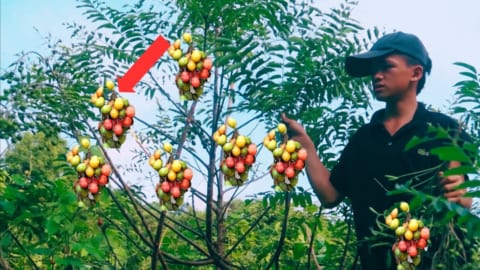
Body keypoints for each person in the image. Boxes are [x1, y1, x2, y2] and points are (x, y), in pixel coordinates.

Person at [281, 31, 473, 269]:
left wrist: (459, 196)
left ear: (416, 73)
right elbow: (330, 196)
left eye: (386, 67)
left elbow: (462, 197)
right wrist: (305, 145)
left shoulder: (443, 129)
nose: (376, 75)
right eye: (374, 69)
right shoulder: (364, 139)